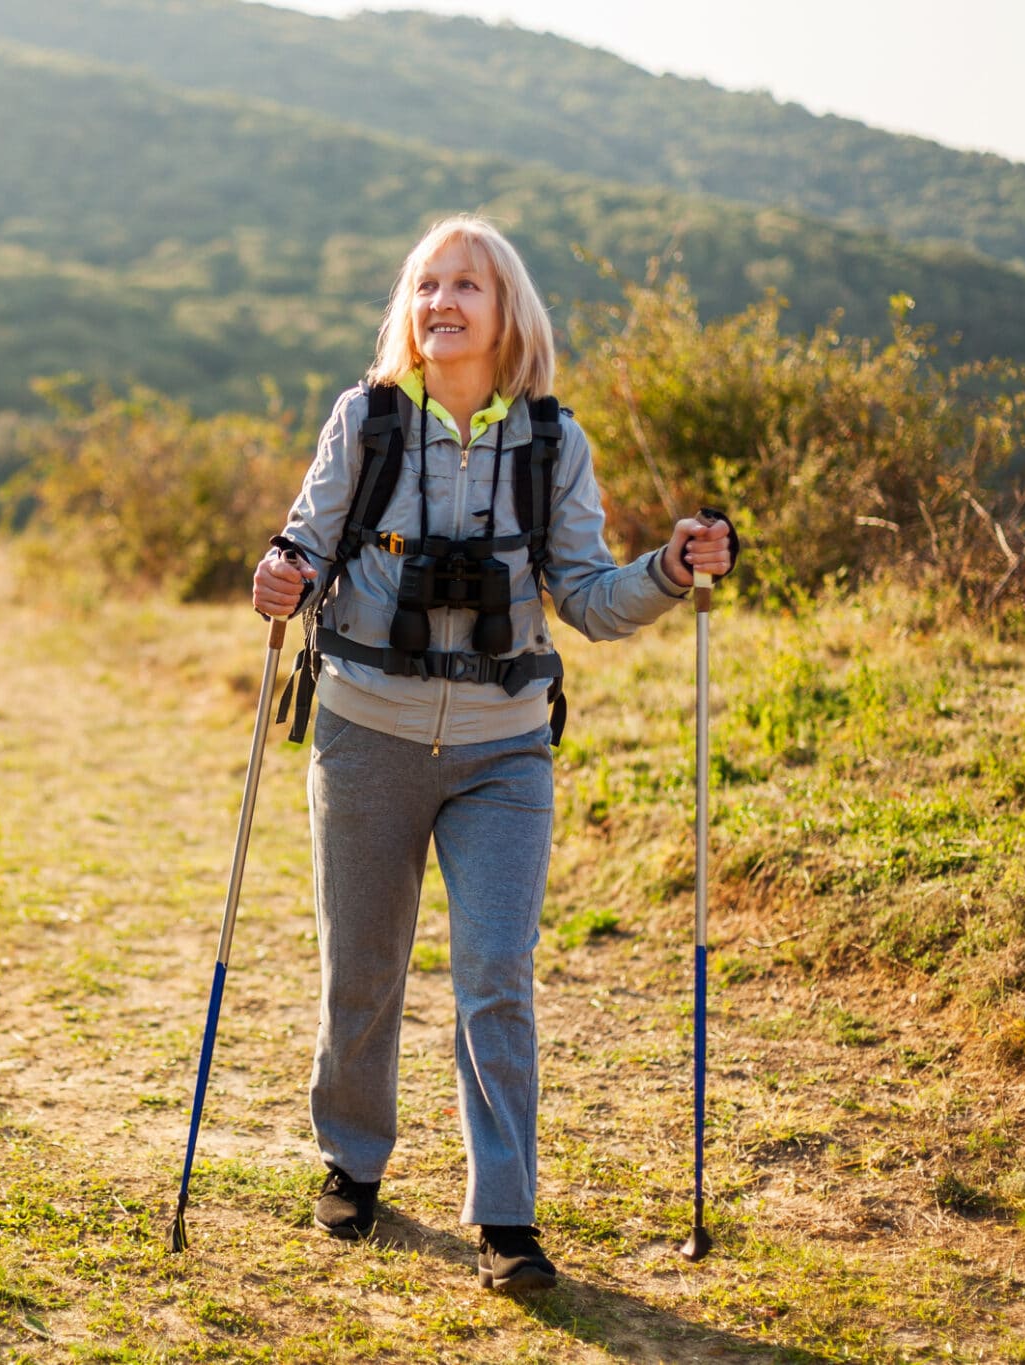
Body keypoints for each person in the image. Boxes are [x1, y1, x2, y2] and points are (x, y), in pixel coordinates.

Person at [251, 214, 736, 1293]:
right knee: (362, 970)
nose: (441, 304)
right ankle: (352, 1160)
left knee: (494, 979)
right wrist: (280, 572)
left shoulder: (552, 443)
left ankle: (504, 1217)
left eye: (465, 286)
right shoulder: (363, 422)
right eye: (426, 285)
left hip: (503, 754)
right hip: (365, 731)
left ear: (504, 310)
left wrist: (667, 567)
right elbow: (301, 538)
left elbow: (588, 601)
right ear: (406, 309)